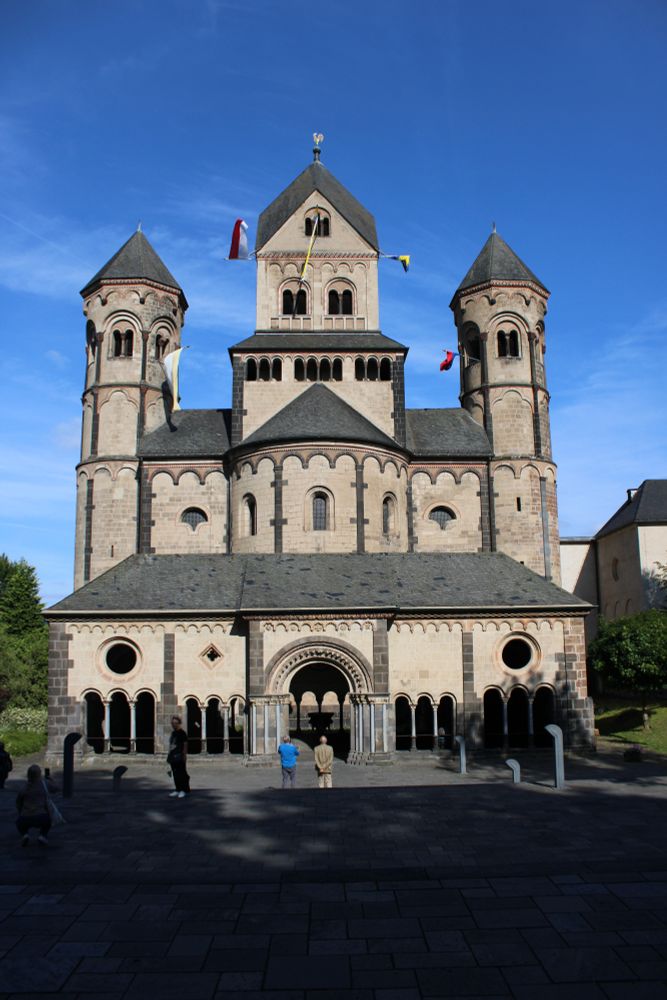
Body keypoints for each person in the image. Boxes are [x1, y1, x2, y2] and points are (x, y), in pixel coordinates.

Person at [15, 764, 58, 846]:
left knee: (19, 823)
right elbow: (57, 788)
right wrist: (51, 780)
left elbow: (18, 802)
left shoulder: (24, 788)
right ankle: (42, 835)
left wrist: (21, 812)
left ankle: (25, 835)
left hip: (25, 816)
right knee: (48, 821)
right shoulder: (44, 784)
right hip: (41, 816)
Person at [167, 715, 190, 798]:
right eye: (173, 723)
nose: (174, 725)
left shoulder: (182, 733)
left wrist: (184, 755)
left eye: (176, 723)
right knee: (175, 774)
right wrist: (169, 755)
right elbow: (171, 744)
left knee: (182, 774)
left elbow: (185, 744)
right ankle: (177, 789)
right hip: (173, 756)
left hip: (180, 756)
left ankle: (184, 790)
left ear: (179, 724)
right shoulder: (173, 733)